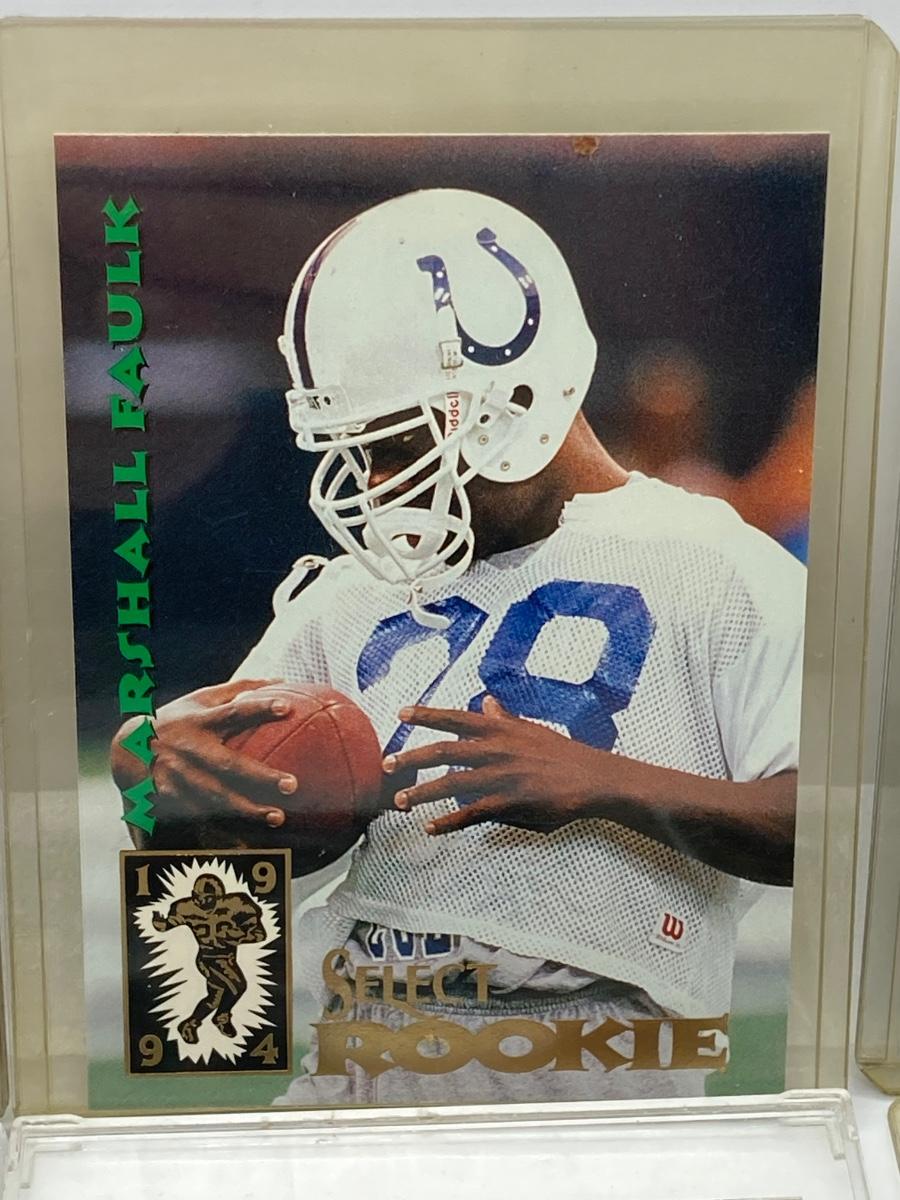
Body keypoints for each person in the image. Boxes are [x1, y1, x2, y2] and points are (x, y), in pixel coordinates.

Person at [113, 188, 802, 1103]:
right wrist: (155, 790)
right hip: (352, 1075)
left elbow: (847, 826)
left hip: (591, 1086)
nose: (380, 487)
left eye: (401, 446)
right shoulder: (353, 592)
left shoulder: (718, 568)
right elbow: (204, 996)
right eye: (361, 454)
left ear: (512, 401)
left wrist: (607, 784)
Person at [152, 873, 267, 1044]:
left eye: (207, 898)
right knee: (238, 986)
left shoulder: (238, 905)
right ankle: (221, 1017)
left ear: (220, 897)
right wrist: (160, 923)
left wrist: (237, 936)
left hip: (227, 958)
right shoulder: (185, 907)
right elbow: (167, 924)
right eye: (197, 897)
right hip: (207, 958)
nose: (201, 902)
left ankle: (189, 1024)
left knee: (214, 999)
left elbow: (259, 934)